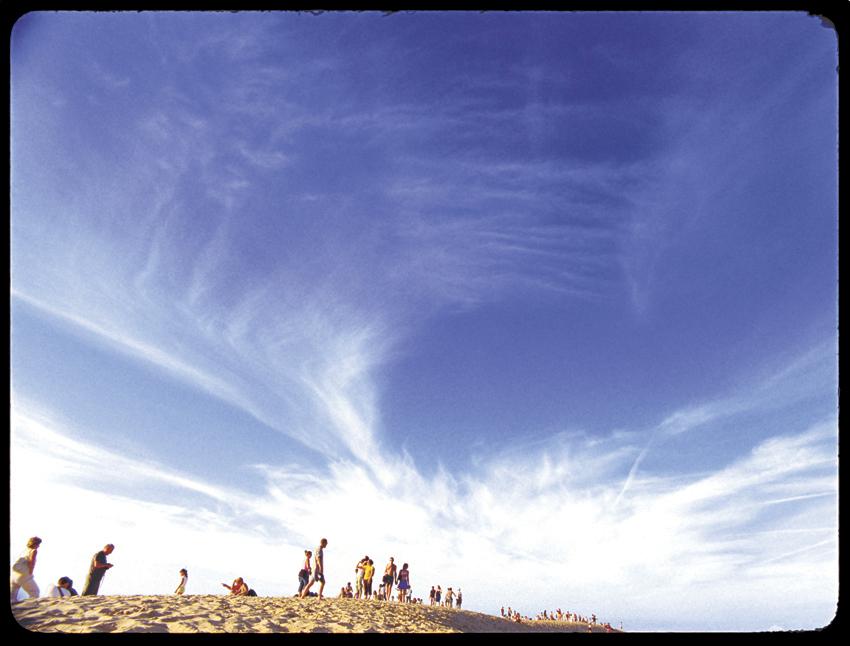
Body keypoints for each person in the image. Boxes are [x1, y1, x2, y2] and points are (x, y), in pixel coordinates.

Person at [10, 536, 42, 602]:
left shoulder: (22, 551)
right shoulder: (33, 551)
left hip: (13, 575)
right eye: (38, 544)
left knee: (12, 597)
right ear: (35, 543)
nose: (38, 546)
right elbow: (31, 563)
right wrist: (30, 573)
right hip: (24, 576)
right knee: (35, 592)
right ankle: (30, 608)